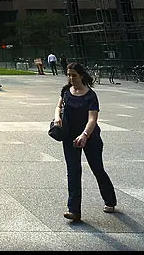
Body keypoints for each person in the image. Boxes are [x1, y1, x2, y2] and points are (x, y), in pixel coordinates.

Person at [52, 62, 117, 223]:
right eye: (68, 75)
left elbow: (92, 118)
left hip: (90, 137)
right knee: (73, 171)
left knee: (97, 169)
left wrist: (84, 135)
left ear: (81, 75)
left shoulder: (90, 95)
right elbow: (58, 106)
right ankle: (74, 210)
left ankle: (110, 200)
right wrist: (57, 117)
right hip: (69, 137)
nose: (70, 78)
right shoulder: (66, 91)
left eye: (74, 75)